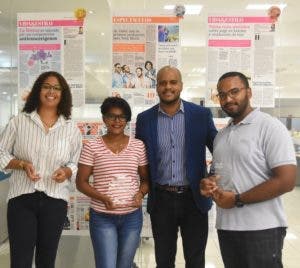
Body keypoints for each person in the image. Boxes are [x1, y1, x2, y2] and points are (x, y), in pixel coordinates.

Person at [200, 71, 297, 268]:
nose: (228, 99)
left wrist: (237, 199)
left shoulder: (269, 127)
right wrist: (208, 183)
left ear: (249, 92)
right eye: (222, 94)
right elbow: (218, 173)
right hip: (227, 227)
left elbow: (287, 181)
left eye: (234, 91)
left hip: (262, 228)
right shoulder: (222, 136)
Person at [135, 66, 217, 268]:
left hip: (194, 199)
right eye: (162, 82)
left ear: (181, 85)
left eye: (173, 82)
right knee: (163, 260)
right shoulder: (144, 119)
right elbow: (139, 157)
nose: (168, 87)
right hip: (161, 199)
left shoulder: (200, 115)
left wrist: (213, 176)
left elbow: (220, 149)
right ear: (157, 87)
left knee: (195, 260)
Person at [0, 71, 82, 268]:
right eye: (46, 86)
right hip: (22, 199)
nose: (51, 91)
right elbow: (1, 152)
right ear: (38, 90)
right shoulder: (19, 122)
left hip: (55, 200)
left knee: (47, 259)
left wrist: (67, 172)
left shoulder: (71, 128)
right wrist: (21, 164)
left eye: (56, 88)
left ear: (63, 94)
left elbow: (75, 162)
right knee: (20, 260)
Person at [76, 97, 150, 268]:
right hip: (102, 217)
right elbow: (81, 182)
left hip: (132, 217)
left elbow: (146, 180)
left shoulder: (138, 146)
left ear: (127, 120)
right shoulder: (92, 147)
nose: (117, 121)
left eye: (122, 117)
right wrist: (102, 197)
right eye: (112, 116)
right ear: (104, 118)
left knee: (124, 265)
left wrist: (140, 193)